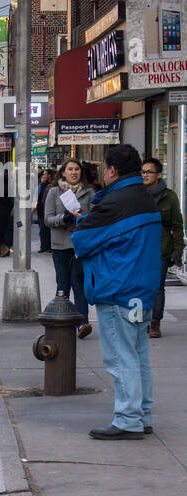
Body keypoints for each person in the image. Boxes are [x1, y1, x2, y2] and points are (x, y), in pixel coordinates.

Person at [72, 144, 162, 440]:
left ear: (112, 170)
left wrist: (84, 222)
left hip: (118, 290)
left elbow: (82, 241)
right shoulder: (146, 198)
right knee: (137, 356)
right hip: (141, 289)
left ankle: (128, 419)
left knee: (121, 359)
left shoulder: (115, 202)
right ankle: (141, 414)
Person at [44, 158, 95, 338]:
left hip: (80, 246)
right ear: (63, 172)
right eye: (70, 169)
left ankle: (83, 323)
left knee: (79, 284)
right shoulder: (54, 192)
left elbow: (96, 218)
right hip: (60, 245)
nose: (74, 172)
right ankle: (61, 321)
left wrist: (81, 218)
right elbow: (47, 219)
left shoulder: (89, 193)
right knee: (63, 284)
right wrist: (63, 218)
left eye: (77, 169)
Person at [143, 157, 184, 338]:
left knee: (158, 286)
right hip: (140, 247)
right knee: (141, 286)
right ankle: (142, 320)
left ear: (158, 175)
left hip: (161, 247)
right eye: (142, 172)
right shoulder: (137, 195)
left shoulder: (169, 196)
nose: (145, 175)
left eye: (149, 172)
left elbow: (177, 225)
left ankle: (155, 323)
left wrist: (178, 250)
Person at [36, 168, 53, 253]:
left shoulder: (51, 185)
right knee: (42, 230)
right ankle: (43, 246)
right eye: (43, 174)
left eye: (45, 174)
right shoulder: (42, 184)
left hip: (46, 209)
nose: (44, 175)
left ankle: (48, 247)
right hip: (41, 210)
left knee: (47, 230)